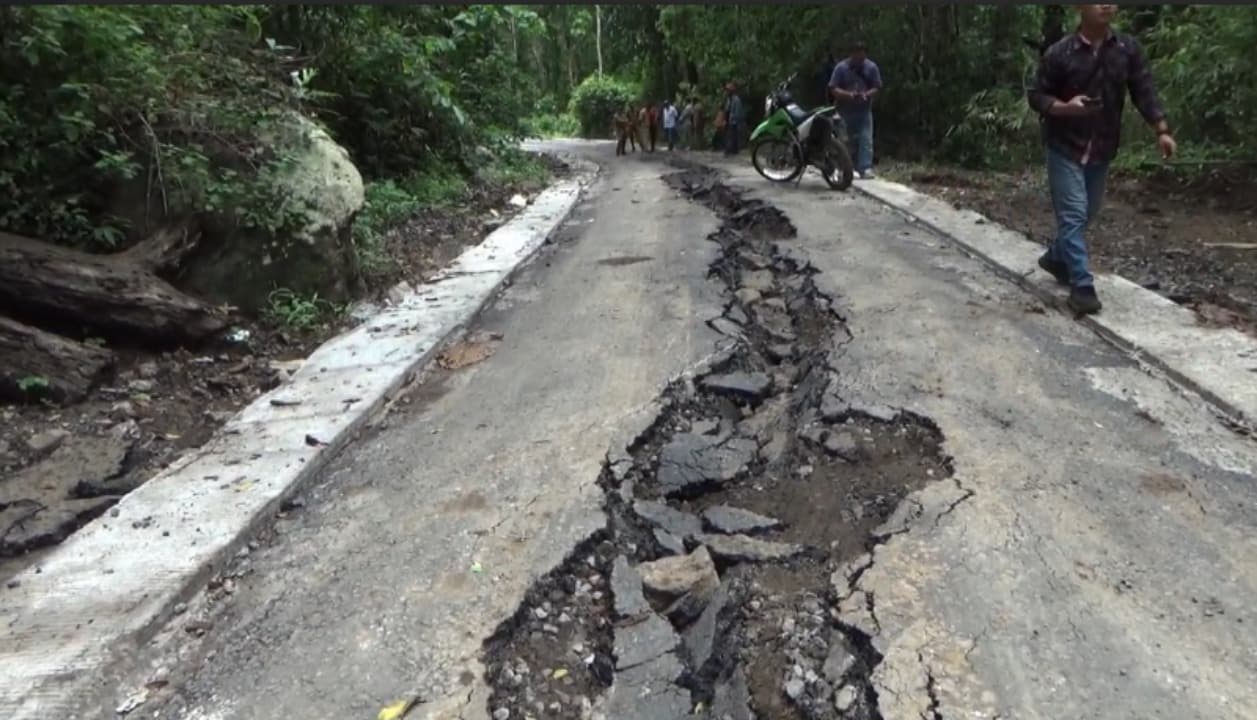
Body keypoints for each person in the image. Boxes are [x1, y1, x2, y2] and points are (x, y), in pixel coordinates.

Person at [1027, 3, 1175, 315]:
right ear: (1080, 6)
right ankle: (1082, 287)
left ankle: (1056, 258)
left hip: (1102, 147)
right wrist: (1065, 107)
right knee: (1074, 214)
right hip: (1065, 146)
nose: (1107, 5)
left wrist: (1161, 129)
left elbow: (1143, 90)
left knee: (1088, 212)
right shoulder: (1060, 53)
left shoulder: (1126, 49)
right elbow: (1037, 95)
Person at [828, 41, 882, 179]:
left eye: (862, 56)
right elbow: (833, 88)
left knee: (865, 139)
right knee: (844, 140)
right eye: (857, 55)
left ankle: (865, 167)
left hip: (864, 109)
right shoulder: (841, 68)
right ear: (851, 54)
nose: (860, 59)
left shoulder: (871, 67)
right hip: (844, 110)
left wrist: (867, 94)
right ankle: (845, 167)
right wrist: (848, 95)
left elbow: (877, 86)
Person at [723, 82, 744, 156]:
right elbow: (727, 109)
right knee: (731, 136)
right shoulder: (729, 99)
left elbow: (738, 112)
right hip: (729, 120)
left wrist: (734, 119)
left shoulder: (736, 100)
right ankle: (732, 150)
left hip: (734, 121)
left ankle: (729, 150)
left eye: (728, 90)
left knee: (731, 136)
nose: (727, 92)